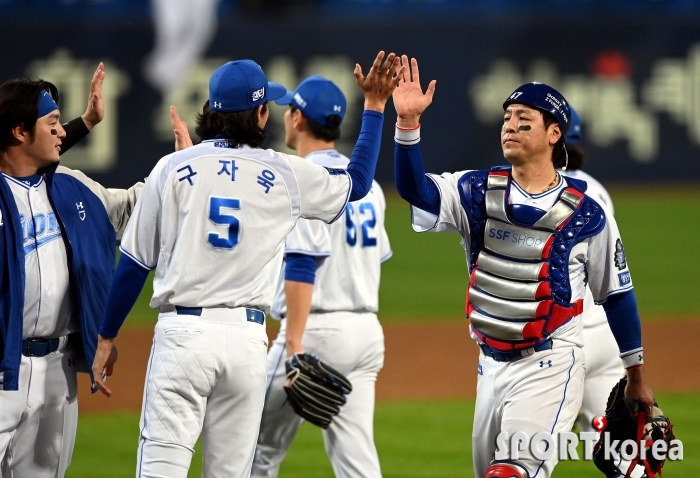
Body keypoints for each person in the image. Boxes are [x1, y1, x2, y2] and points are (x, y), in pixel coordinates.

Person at [91, 52, 403, 478]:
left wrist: (106, 336)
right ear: (260, 114)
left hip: (183, 339)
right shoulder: (286, 174)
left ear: (210, 110)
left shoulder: (172, 168)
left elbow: (132, 265)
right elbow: (359, 183)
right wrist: (375, 108)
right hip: (247, 345)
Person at [391, 56, 655, 478]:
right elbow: (414, 190)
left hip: (552, 363)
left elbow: (618, 295)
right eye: (507, 117)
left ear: (554, 133)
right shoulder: (475, 190)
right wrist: (407, 124)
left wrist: (635, 377)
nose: (510, 125)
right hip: (490, 365)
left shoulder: (587, 214)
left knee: (511, 473)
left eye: (524, 118)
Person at [0, 64, 143, 477]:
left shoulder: (74, 186)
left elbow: (135, 207)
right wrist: (85, 123)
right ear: (18, 132)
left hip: (58, 372)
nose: (62, 131)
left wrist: (182, 170)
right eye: (53, 123)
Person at [250, 76, 392, 478]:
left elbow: (301, 263)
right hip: (365, 333)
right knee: (356, 459)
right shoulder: (369, 187)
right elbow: (372, 260)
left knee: (253, 446)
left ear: (296, 118)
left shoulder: (298, 177)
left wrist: (294, 341)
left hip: (312, 332)